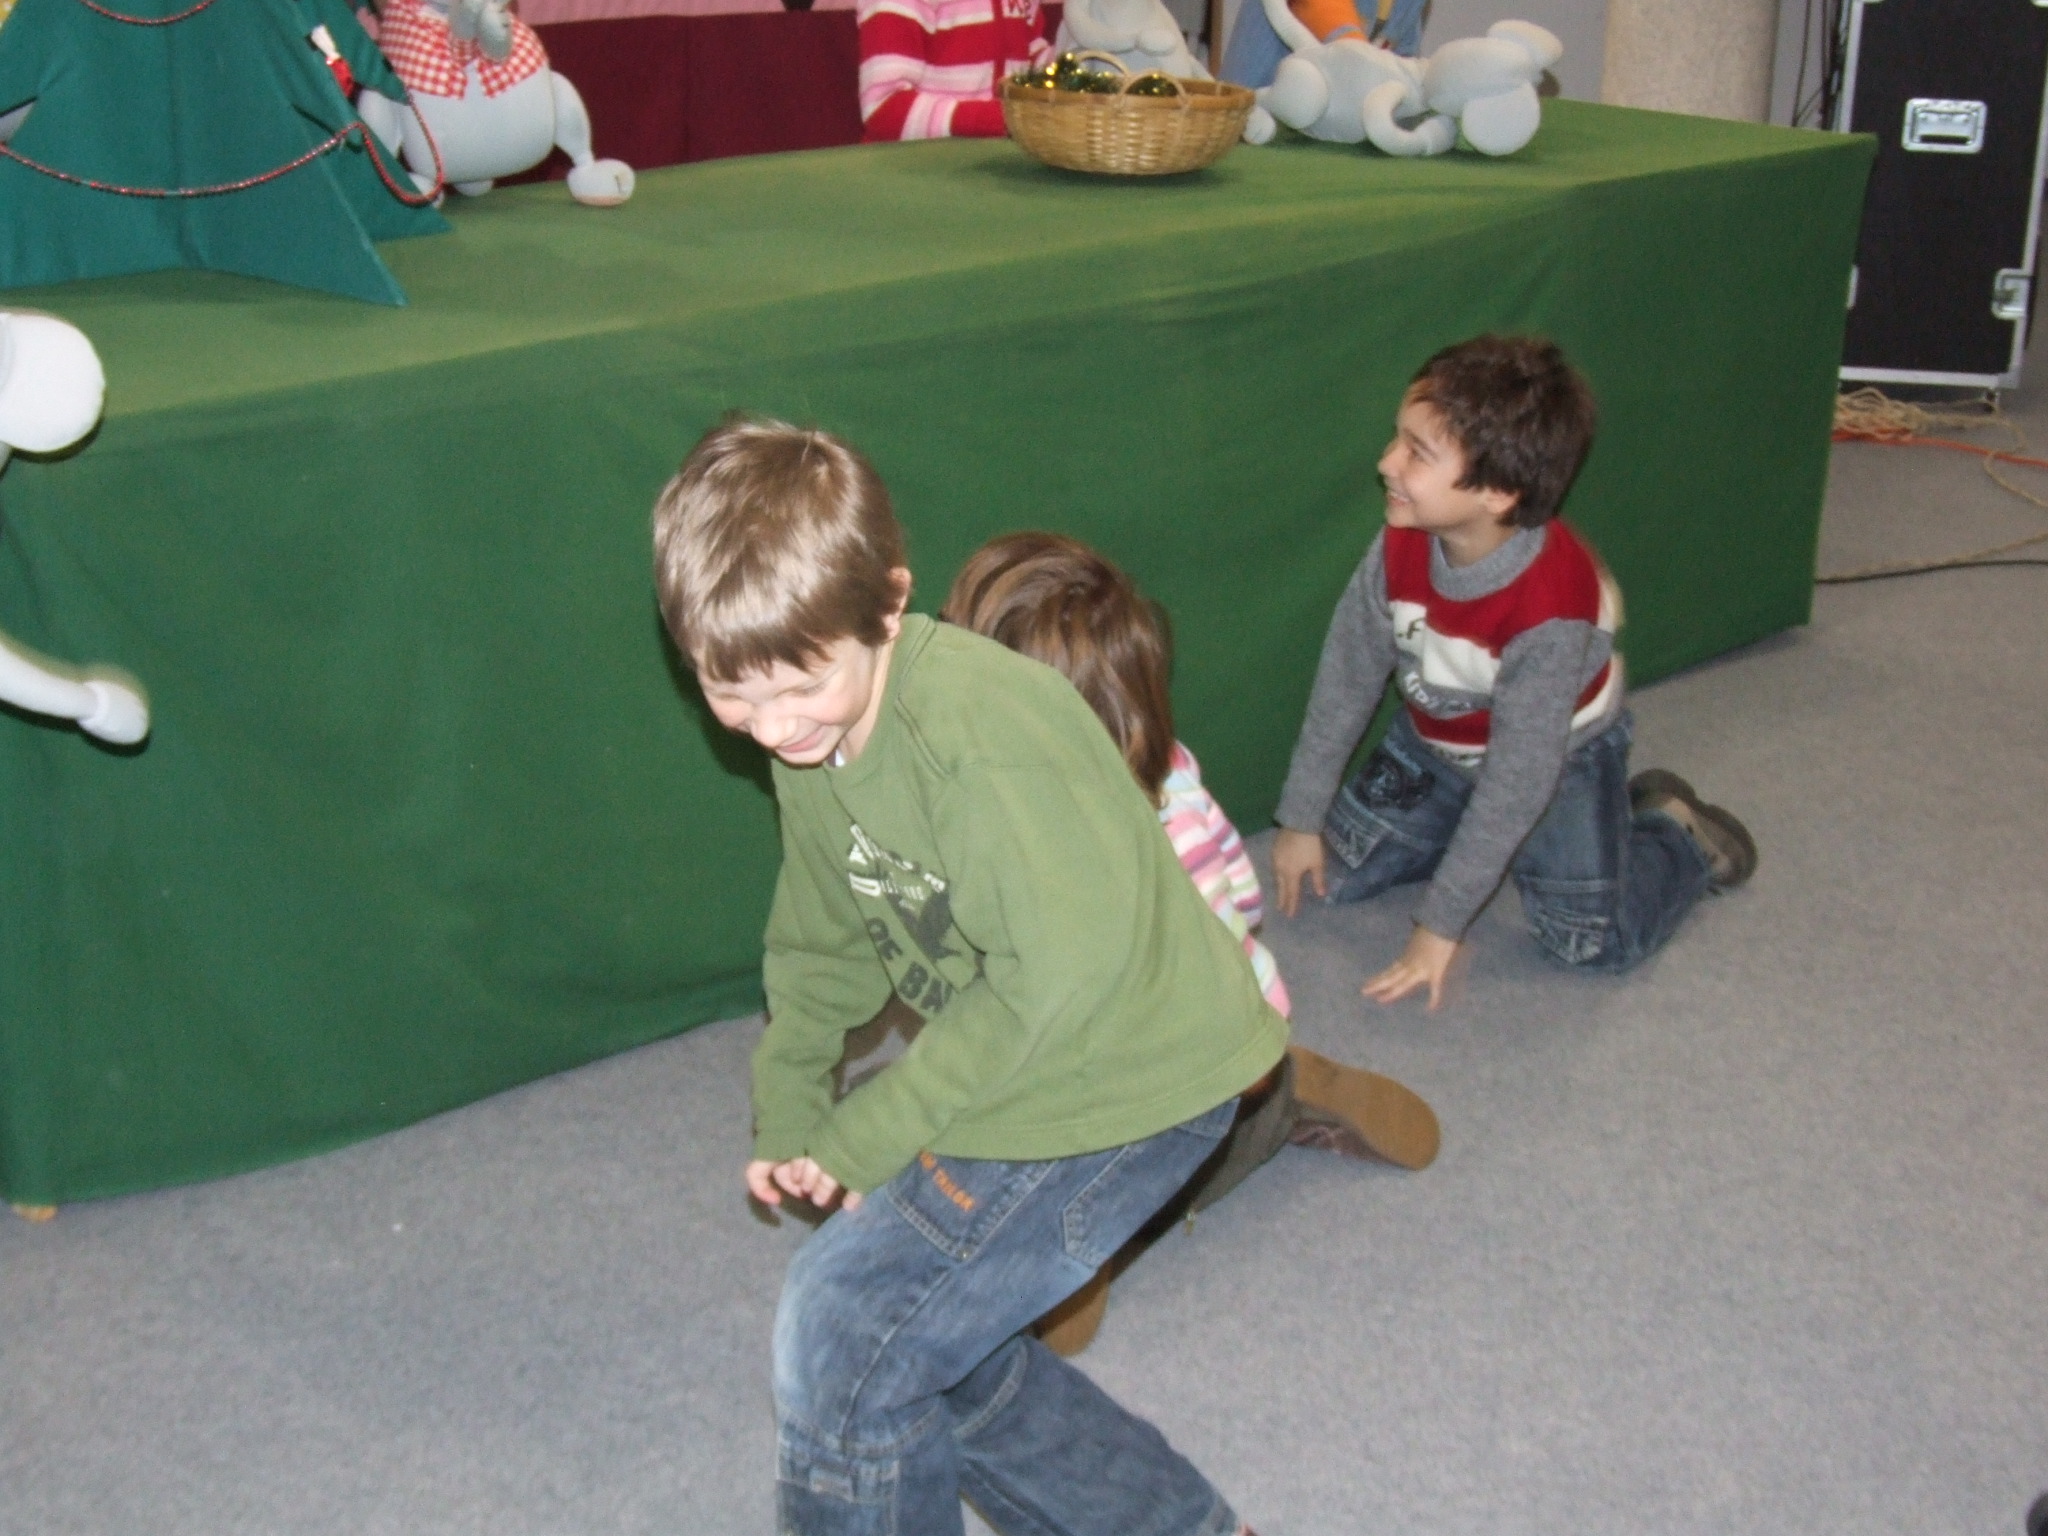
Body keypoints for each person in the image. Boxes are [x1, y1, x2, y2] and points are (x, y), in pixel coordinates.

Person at [652, 416, 1278, 1536]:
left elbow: (1046, 985)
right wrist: (790, 1100)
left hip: (1128, 1075)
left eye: (801, 687)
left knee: (845, 1334)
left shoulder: (983, 740)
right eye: (730, 694)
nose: (772, 728)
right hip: (1031, 1044)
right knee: (937, 1346)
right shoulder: (812, 739)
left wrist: (872, 1129)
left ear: (889, 604)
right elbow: (822, 939)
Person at [939, 530, 1441, 1353]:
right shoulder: (1162, 768)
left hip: (1178, 1076)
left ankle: (1250, 1126)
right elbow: (1240, 893)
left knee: (1082, 1160)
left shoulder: (1104, 869)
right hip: (1190, 1026)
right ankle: (1266, 1095)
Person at [1271, 334, 1757, 1008]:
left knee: (1590, 941)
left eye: (1417, 452)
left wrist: (1441, 926)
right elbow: (1348, 674)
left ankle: (1676, 834)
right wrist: (1300, 817)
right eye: (1397, 438)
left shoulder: (1551, 610)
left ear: (1498, 493)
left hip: (1559, 760)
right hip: (1438, 739)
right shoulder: (1401, 538)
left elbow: (1519, 777)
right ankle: (1480, 840)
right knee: (1337, 873)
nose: (1386, 462)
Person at [856, 0, 1050, 142]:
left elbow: (1030, 59)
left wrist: (1062, 69)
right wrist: (1001, 119)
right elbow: (883, 111)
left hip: (996, 162)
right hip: (912, 167)